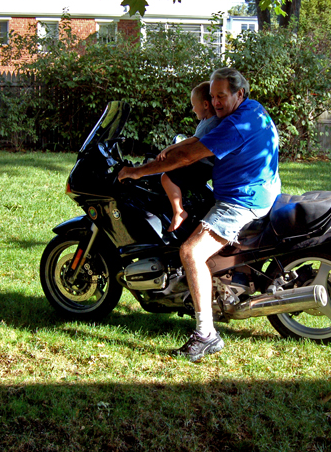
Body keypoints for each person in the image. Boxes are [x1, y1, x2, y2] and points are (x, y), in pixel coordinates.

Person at [118, 68, 280, 362]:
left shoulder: (236, 125)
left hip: (242, 200)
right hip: (262, 188)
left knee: (191, 252)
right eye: (213, 96)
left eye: (222, 96)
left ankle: (206, 335)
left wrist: (138, 172)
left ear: (238, 94)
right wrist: (171, 149)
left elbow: (188, 156)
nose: (216, 102)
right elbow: (199, 142)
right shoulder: (251, 110)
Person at [157, 82, 220, 232]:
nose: (192, 109)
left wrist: (170, 148)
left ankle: (179, 211)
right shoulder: (208, 121)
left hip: (204, 166)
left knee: (166, 177)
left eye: (193, 105)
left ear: (205, 105)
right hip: (207, 165)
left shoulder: (210, 123)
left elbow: (193, 141)